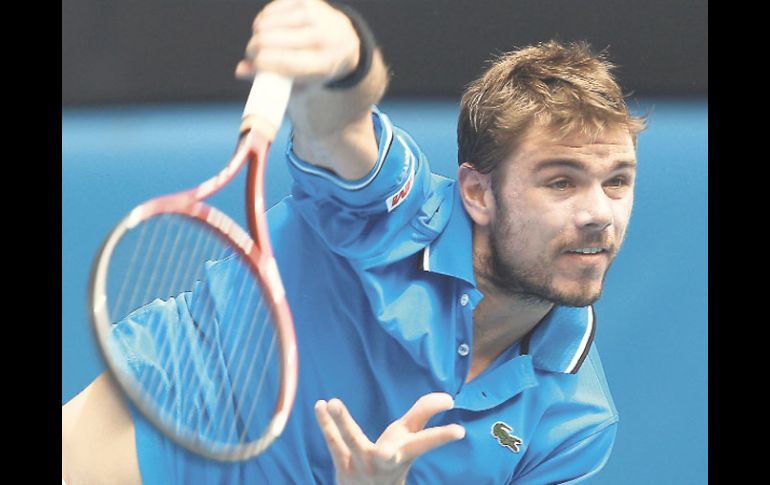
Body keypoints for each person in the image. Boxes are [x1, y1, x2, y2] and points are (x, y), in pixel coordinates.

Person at [61, 0, 646, 483]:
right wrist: (345, 58)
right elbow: (338, 124)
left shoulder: (576, 423)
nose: (599, 214)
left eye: (617, 181)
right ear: (478, 193)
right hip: (132, 452)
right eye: (561, 182)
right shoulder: (396, 212)